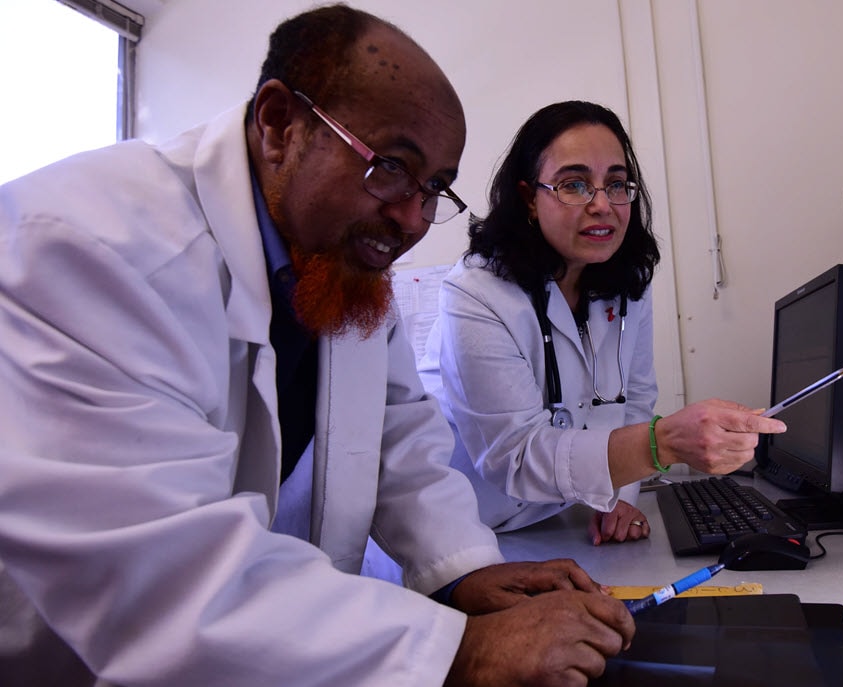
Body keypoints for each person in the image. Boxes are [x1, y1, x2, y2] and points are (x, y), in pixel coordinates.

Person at [0, 6, 634, 686]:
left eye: (433, 188)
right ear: (279, 124)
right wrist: (461, 650)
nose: (414, 220)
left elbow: (402, 441)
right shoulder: (87, 245)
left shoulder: (341, 264)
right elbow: (157, 574)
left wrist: (468, 573)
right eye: (391, 166)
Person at [417, 101, 787, 545]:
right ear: (528, 199)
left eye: (615, 184)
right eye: (574, 184)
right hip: (464, 526)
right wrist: (663, 444)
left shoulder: (627, 282)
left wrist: (616, 498)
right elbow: (514, 456)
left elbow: (634, 402)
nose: (602, 205)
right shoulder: (477, 294)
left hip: (558, 522)